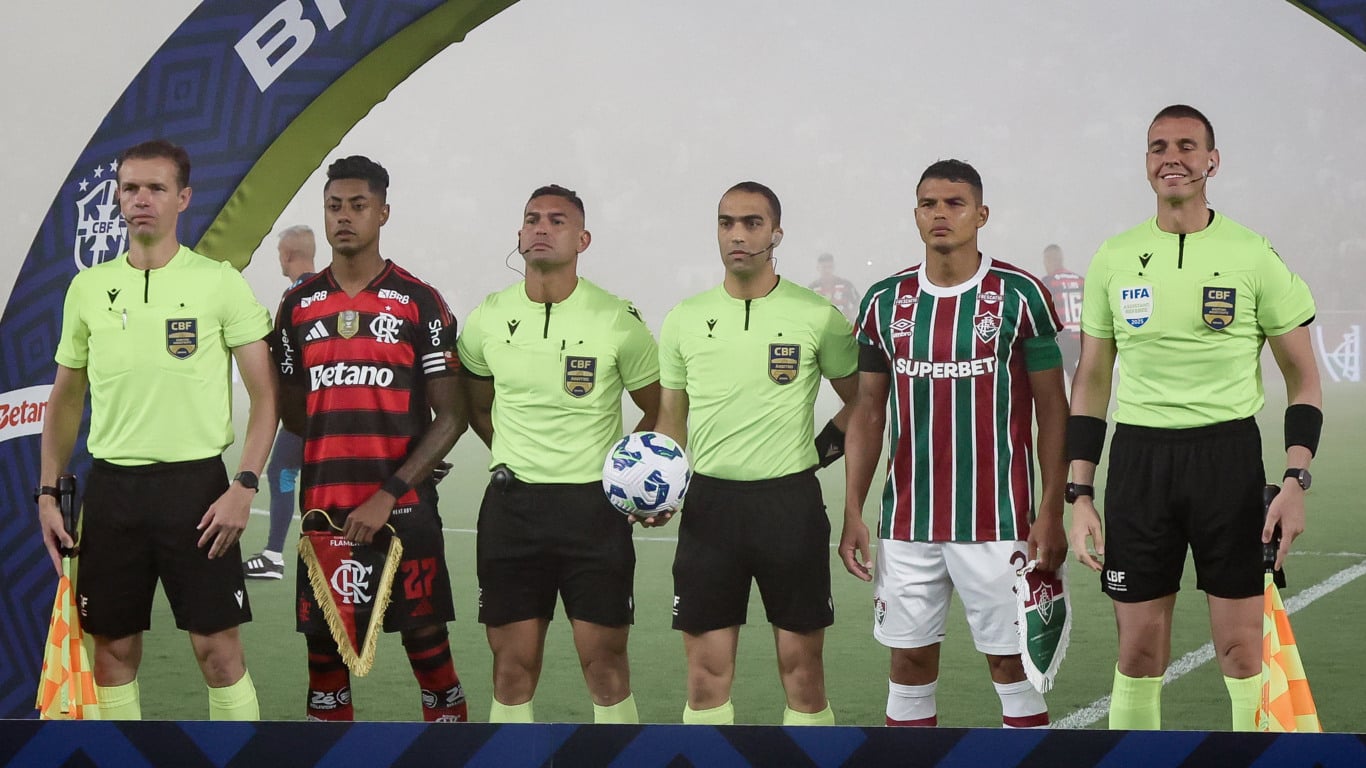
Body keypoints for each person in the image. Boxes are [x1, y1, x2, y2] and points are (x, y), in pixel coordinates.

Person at [1067, 105, 1323, 731]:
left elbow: (1304, 377)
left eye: (1186, 146)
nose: (1171, 157)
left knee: (1241, 652)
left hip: (1227, 461)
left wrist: (1295, 481)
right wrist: (1079, 492)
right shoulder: (1115, 256)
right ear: (1146, 162)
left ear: (1213, 160)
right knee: (1138, 652)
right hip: (1140, 463)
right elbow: (1094, 379)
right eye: (1158, 147)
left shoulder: (1253, 253)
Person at [36, 138, 276, 720]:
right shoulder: (88, 288)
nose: (141, 199)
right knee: (112, 653)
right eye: (131, 188)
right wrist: (48, 492)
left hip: (198, 490)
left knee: (217, 651)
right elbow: (66, 401)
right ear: (118, 198)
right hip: (113, 492)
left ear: (183, 198)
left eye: (156, 188)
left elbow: (268, 397)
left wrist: (243, 485)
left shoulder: (219, 283)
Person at [840, 160, 1068, 728]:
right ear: (915, 214)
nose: (940, 214)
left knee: (1013, 668)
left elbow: (1053, 409)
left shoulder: (1021, 295)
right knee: (909, 663)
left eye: (954, 204)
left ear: (981, 214)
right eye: (928, 204)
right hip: (909, 521)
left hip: (1000, 519)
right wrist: (852, 510)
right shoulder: (883, 302)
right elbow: (868, 412)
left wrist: (1052, 510)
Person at [274, 155, 470, 722]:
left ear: (383, 212)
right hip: (325, 514)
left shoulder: (420, 301)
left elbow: (451, 417)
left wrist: (388, 488)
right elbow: (294, 412)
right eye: (335, 206)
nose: (344, 218)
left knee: (430, 654)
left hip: (403, 509)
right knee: (326, 662)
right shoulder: (296, 305)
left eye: (358, 206)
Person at [656, 181, 858, 726]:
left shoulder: (816, 316)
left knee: (803, 676)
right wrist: (661, 487)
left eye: (751, 223)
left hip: (788, 505)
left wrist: (819, 455)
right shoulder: (685, 318)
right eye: (726, 223)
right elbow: (671, 421)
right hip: (709, 507)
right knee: (704, 680)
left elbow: (866, 405)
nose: (737, 235)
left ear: (776, 233)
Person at [457, 184, 660, 724]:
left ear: (583, 238)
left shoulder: (617, 318)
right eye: (532, 219)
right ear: (519, 236)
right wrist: (515, 458)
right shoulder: (486, 319)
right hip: (512, 510)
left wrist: (632, 475)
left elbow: (660, 407)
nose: (541, 227)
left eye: (557, 220)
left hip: (595, 512)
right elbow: (479, 411)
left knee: (606, 666)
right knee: (511, 668)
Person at [243, 225, 316, 580]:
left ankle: (274, 555)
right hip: (329, 410)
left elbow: (288, 361)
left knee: (283, 473)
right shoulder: (328, 291)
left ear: (287, 255)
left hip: (304, 414)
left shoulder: (295, 296)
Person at [1040, 244, 1084, 381]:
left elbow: (1044, 315)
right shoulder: (1081, 281)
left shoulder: (1048, 282)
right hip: (1085, 339)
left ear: (1048, 260)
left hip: (1064, 342)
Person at [808, 252, 861, 322]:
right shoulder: (813, 288)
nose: (827, 270)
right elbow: (807, 307)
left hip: (843, 326)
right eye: (824, 267)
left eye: (830, 267)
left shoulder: (845, 285)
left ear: (834, 267)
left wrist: (851, 316)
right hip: (821, 327)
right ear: (818, 268)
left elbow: (857, 301)